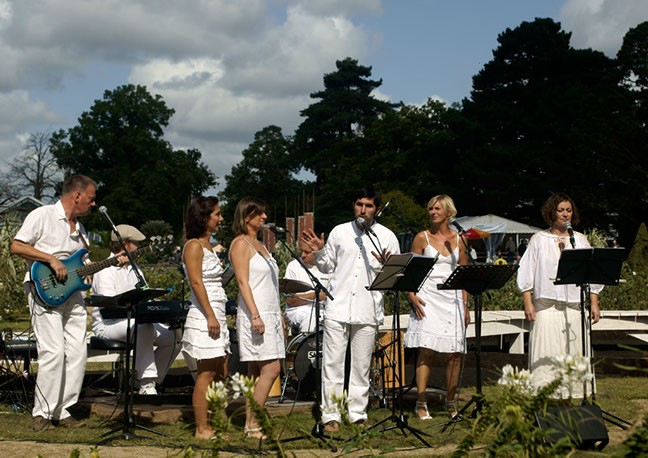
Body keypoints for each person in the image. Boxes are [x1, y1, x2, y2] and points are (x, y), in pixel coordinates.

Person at [300, 188, 400, 432]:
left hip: (368, 309)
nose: (363, 209)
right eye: (359, 204)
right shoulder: (340, 231)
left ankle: (357, 413)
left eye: (368, 205)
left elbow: (396, 276)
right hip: (338, 307)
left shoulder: (387, 236)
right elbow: (325, 267)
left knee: (361, 366)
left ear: (376, 209)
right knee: (332, 364)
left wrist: (387, 266)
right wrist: (319, 250)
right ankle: (330, 415)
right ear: (353, 206)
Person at [10, 174, 97, 431]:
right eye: (91, 199)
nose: (93, 204)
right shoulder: (43, 215)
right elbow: (17, 246)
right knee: (54, 351)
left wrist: (90, 269)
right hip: (44, 289)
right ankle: (42, 413)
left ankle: (64, 410)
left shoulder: (80, 230)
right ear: (77, 195)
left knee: (78, 352)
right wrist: (51, 259)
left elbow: (81, 262)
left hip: (73, 294)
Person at [517, 193, 602, 399]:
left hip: (573, 308)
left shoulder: (580, 239)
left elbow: (591, 274)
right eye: (561, 210)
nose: (565, 214)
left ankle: (571, 403)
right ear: (552, 212)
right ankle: (547, 402)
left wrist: (594, 302)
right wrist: (528, 302)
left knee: (573, 356)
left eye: (569, 210)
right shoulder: (539, 239)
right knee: (548, 356)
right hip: (547, 308)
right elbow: (526, 272)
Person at [92, 224, 180, 395]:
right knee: (143, 327)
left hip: (133, 321)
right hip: (108, 325)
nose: (139, 247)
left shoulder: (135, 269)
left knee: (173, 337)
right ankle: (147, 384)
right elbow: (110, 305)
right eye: (136, 243)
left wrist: (155, 301)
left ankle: (143, 381)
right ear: (125, 243)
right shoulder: (104, 269)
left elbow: (144, 295)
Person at [403, 195, 470, 420]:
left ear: (448, 212)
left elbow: (464, 274)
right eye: (430, 208)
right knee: (426, 350)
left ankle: (451, 402)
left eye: (437, 208)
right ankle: (420, 402)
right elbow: (410, 271)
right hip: (428, 298)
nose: (432, 212)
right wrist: (412, 296)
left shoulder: (459, 239)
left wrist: (465, 305)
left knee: (455, 354)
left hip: (452, 300)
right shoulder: (422, 238)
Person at [230, 197, 285, 440]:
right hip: (255, 313)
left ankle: (250, 423)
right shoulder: (241, 244)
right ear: (246, 217)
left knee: (256, 370)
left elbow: (270, 284)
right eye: (259, 214)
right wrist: (255, 314)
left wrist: (279, 313)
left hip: (270, 312)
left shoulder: (259, 243)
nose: (264, 217)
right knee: (272, 368)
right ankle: (253, 423)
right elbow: (242, 282)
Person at [181, 196, 229, 439]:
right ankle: (201, 428)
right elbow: (197, 282)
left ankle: (215, 422)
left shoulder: (209, 246)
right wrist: (210, 315)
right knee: (206, 373)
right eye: (217, 214)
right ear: (204, 217)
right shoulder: (193, 246)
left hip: (217, 312)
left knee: (221, 372)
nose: (221, 218)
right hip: (203, 314)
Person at [283, 241, 329, 334]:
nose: (303, 255)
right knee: (312, 318)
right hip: (298, 310)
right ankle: (307, 347)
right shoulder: (294, 266)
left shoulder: (328, 267)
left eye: (307, 252)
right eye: (302, 251)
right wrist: (315, 296)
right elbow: (290, 300)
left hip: (325, 309)